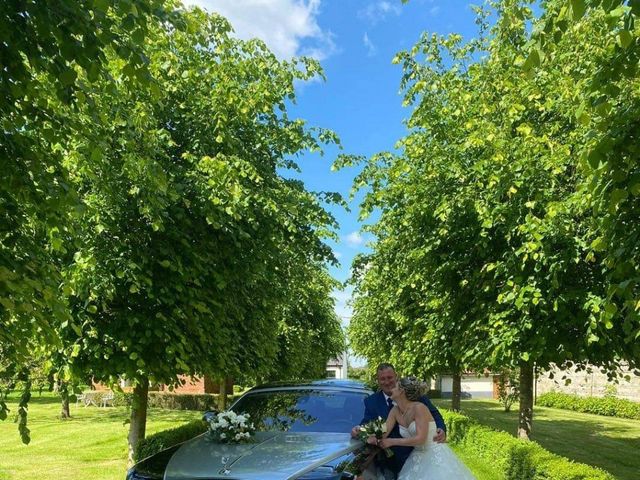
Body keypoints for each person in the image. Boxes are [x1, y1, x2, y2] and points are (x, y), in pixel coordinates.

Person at [369, 377, 476, 479]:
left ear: (402, 391)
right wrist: (368, 435)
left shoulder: (419, 408)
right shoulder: (395, 411)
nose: (392, 389)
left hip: (434, 455)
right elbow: (384, 431)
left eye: (395, 387)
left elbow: (421, 439)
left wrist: (392, 441)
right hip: (416, 457)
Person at [351, 363, 446, 477]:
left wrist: (441, 429)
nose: (388, 383)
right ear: (378, 380)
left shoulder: (418, 403)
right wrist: (361, 431)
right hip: (392, 461)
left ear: (397, 377)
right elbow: (381, 431)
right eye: (382, 379)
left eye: (390, 378)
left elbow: (434, 417)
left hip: (426, 456)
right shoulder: (388, 408)